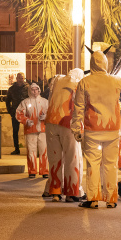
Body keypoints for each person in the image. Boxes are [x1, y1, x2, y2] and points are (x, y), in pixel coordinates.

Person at [71, 50, 121, 209]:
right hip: (113, 129)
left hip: (92, 129)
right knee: (110, 164)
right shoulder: (115, 80)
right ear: (105, 63)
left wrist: (76, 129)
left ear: (92, 64)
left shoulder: (85, 82)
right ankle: (111, 199)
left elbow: (78, 109)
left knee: (93, 164)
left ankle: (93, 199)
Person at [45, 69, 85, 202]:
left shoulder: (57, 80)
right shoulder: (80, 83)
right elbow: (80, 105)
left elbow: (50, 99)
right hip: (68, 123)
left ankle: (55, 192)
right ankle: (71, 192)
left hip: (51, 121)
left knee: (54, 159)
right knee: (72, 158)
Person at [16, 83, 49, 178]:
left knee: (44, 151)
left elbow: (51, 112)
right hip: (30, 130)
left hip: (43, 130)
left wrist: (46, 117)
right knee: (31, 151)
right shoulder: (25, 102)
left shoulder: (45, 102)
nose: (34, 91)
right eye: (32, 90)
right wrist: (26, 121)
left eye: (36, 89)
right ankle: (32, 171)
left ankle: (45, 171)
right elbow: (19, 114)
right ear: (29, 91)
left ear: (39, 91)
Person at [4, 73, 28, 155]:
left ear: (24, 79)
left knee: (28, 131)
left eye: (22, 78)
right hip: (15, 112)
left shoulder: (28, 88)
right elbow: (7, 101)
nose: (21, 80)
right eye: (19, 78)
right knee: (15, 131)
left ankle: (29, 148)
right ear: (16, 78)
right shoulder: (12, 89)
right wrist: (10, 111)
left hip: (26, 113)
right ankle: (16, 149)